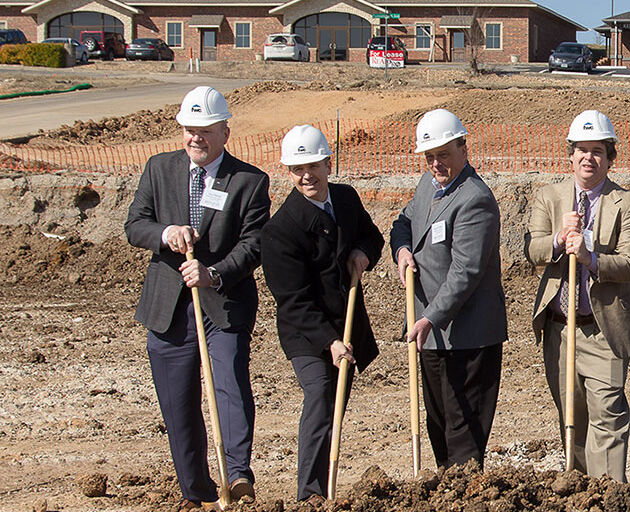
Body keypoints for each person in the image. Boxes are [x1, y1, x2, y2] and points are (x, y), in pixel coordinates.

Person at [124, 86, 269, 509]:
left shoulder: (249, 181)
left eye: (205, 131)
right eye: (189, 130)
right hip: (168, 306)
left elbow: (253, 244)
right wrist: (165, 234)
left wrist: (214, 274)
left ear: (225, 131)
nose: (196, 139)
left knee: (229, 386)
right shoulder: (158, 169)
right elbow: (136, 223)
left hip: (222, 305)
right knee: (178, 403)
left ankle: (237, 475)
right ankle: (196, 489)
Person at [260, 125, 382, 506]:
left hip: (346, 321)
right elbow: (293, 301)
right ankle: (310, 494)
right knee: (320, 394)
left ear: (329, 163)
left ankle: (326, 487)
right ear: (288, 172)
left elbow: (372, 236)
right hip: (306, 332)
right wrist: (328, 341)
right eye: (297, 169)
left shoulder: (345, 199)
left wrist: (363, 252)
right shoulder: (280, 231)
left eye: (313, 165)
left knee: (336, 403)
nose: (306, 176)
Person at [525, 110, 630, 481]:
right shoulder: (549, 198)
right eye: (581, 150)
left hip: (603, 328)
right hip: (560, 330)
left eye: (598, 150)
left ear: (611, 157)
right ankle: (579, 491)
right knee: (571, 417)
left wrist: (592, 259)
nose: (588, 158)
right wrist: (560, 241)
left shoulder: (628, 203)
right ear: (570, 155)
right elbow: (532, 251)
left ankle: (608, 493)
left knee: (607, 415)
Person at [389, 109, 508, 469]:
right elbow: (403, 222)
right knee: (438, 423)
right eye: (430, 157)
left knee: (463, 431)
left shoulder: (475, 199)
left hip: (468, 337)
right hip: (433, 334)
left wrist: (429, 318)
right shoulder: (428, 185)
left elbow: (466, 272)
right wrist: (402, 249)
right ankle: (445, 492)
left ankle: (464, 496)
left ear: (463, 149)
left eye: (444, 154)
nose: (436, 163)